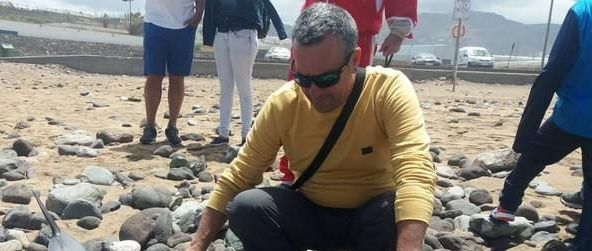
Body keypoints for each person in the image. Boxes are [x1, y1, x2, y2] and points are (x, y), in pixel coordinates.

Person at [155, 3, 436, 251]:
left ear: (355, 59)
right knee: (247, 206)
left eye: (327, 78)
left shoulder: (387, 90)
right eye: (304, 78)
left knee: (393, 209)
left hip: (369, 221)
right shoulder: (285, 102)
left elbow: (415, 169)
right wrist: (195, 249)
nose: (314, 92)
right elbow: (237, 177)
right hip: (310, 213)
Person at [490, 0, 592, 251]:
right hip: (573, 117)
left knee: (533, 156)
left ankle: (506, 207)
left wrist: (524, 136)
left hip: (571, 117)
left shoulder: (583, 12)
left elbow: (552, 73)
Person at [278, 0, 417, 183]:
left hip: (357, 33)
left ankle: (346, 171)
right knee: (300, 100)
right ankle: (293, 171)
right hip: (309, 32)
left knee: (351, 104)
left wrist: (398, 31)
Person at [203, 0, 288, 146]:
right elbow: (210, 7)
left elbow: (267, 5)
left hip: (244, 34)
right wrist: (208, 38)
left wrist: (281, 31)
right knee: (226, 87)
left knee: (243, 87)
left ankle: (246, 135)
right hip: (222, 35)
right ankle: (223, 133)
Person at [139, 0, 205, 146]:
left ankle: (172, 126)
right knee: (154, 76)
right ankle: (150, 126)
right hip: (154, 23)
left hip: (184, 26)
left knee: (177, 77)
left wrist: (199, 13)